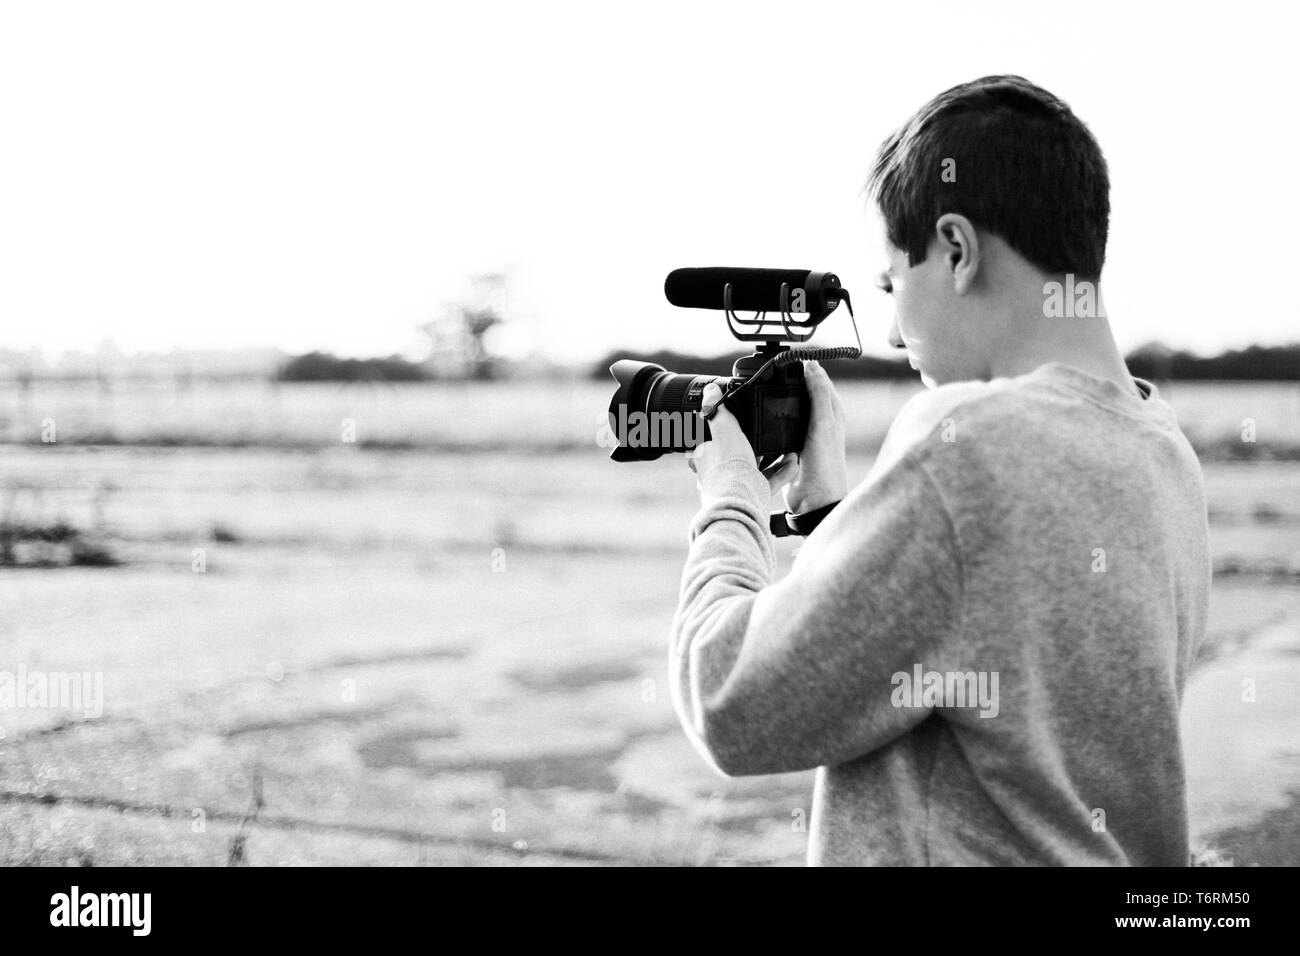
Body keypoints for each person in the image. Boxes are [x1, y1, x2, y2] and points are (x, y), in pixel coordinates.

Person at [670, 75, 1211, 866]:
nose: (890, 330)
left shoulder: (967, 447)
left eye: (894, 284)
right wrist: (832, 515)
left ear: (956, 250)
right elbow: (976, 649)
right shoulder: (1161, 450)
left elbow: (729, 702)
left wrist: (731, 496)